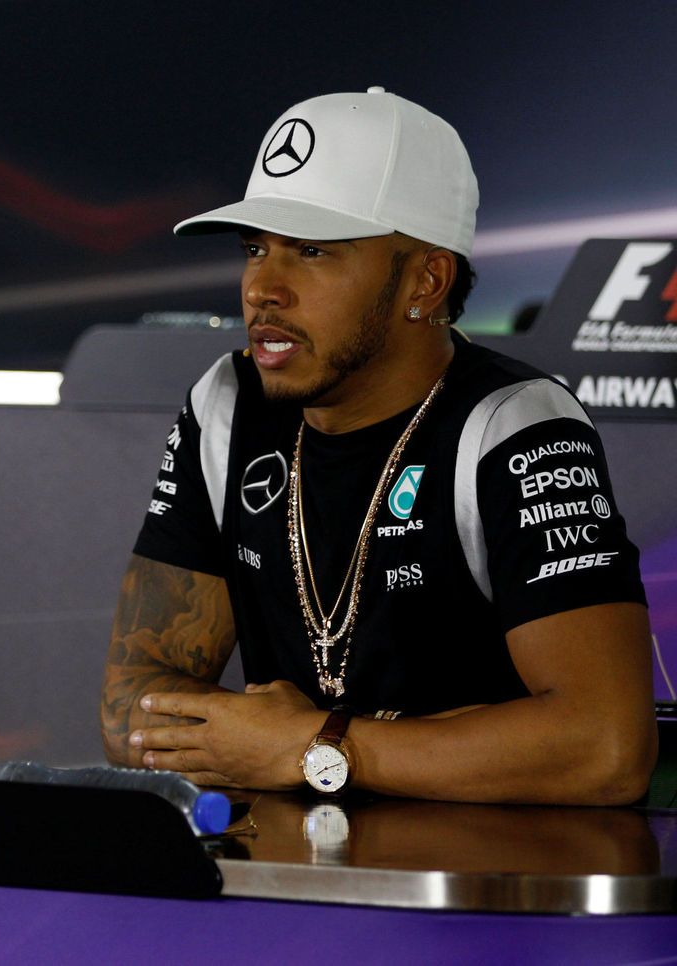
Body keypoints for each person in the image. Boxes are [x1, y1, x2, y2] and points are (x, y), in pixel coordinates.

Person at [100, 88, 656, 805]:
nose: (263, 288)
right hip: (285, 887)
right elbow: (129, 710)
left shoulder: (514, 425)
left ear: (425, 281)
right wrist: (403, 742)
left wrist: (314, 746)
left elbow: (606, 749)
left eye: (311, 252)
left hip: (487, 897)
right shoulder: (226, 405)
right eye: (254, 249)